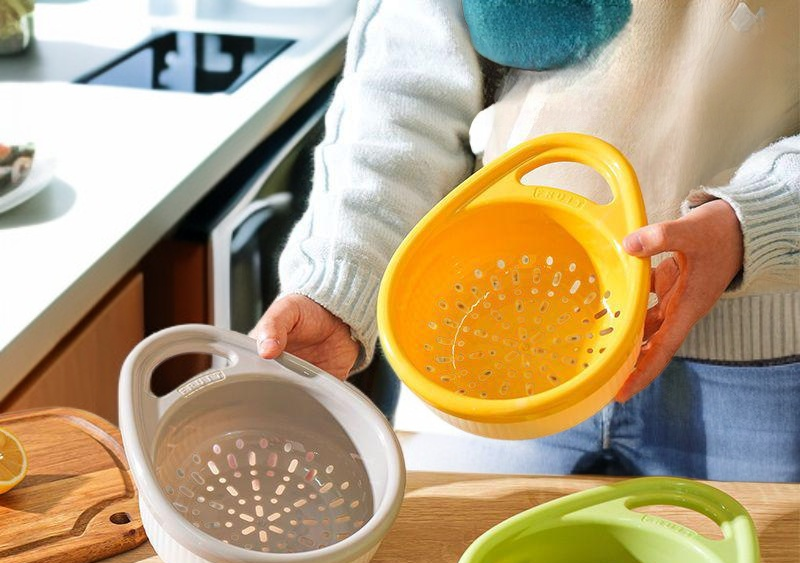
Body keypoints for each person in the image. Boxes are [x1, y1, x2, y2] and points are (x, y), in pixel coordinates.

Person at [251, 0, 799, 482]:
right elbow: (405, 84)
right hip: (486, 332)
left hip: (754, 363)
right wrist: (340, 279)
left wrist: (753, 225)